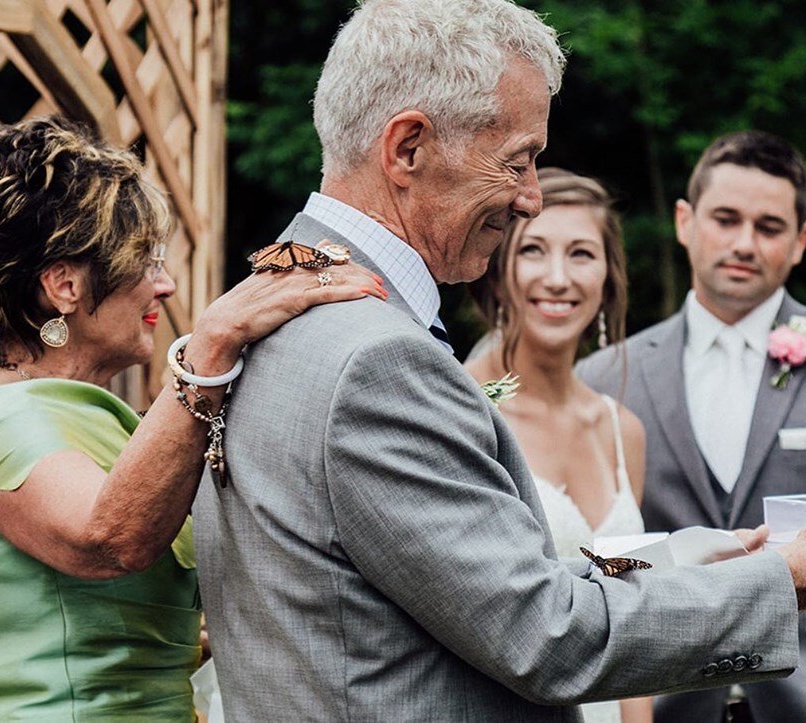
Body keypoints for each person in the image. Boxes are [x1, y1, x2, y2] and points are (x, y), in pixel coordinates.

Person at [192, 2, 806, 720]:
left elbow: (475, 582)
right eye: (517, 160)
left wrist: (699, 560)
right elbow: (543, 633)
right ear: (408, 149)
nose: (530, 198)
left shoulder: (260, 310)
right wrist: (779, 577)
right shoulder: (376, 359)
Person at [0, 115, 387, 721]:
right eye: (143, 260)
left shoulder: (122, 424)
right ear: (64, 285)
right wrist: (213, 343)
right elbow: (109, 540)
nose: (166, 285)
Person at [578, 130, 806, 722]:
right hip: (661, 702)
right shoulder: (603, 377)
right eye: (726, 219)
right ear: (684, 221)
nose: (744, 243)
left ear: (801, 240)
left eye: (769, 227)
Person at [466, 168, 650, 723]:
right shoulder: (466, 409)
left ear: (608, 279)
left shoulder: (624, 431)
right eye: (534, 251)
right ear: (500, 272)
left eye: (581, 254)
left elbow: (633, 611)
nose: (557, 277)